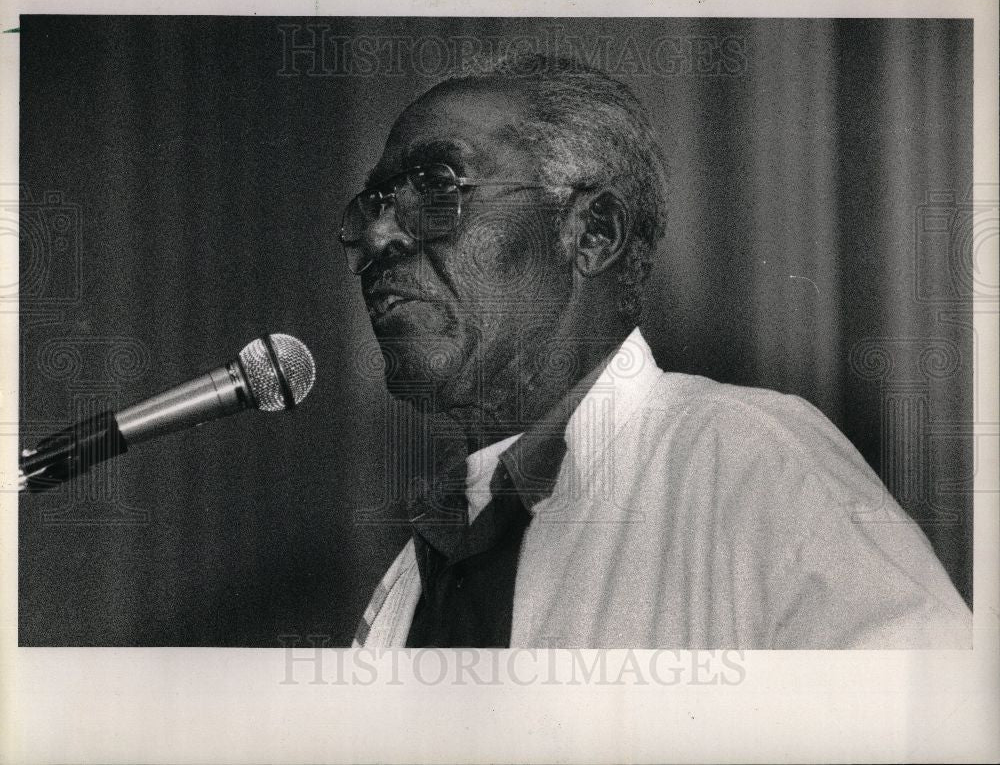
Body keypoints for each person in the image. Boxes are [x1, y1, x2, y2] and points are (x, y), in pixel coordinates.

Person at [341, 53, 971, 649]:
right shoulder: (417, 569)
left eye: (435, 186)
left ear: (593, 233)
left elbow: (927, 718)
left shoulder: (749, 458)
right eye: (371, 207)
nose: (377, 237)